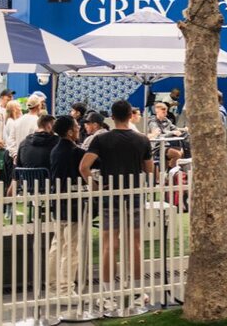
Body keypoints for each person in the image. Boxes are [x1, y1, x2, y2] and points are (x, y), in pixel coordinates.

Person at [80, 100, 154, 306]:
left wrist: (95, 186)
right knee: (135, 244)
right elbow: (150, 171)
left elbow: (83, 166)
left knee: (108, 245)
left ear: (112, 117)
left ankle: (108, 295)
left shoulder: (101, 140)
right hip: (134, 194)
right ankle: (138, 293)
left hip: (109, 194)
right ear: (131, 115)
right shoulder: (142, 140)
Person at [48, 115, 85, 298]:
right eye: (77, 126)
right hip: (72, 203)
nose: (79, 128)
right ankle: (65, 289)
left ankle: (53, 285)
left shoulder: (55, 150)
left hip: (58, 203)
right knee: (71, 247)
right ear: (70, 131)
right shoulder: (75, 152)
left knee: (57, 244)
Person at [10, 94, 44, 160]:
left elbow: (11, 140)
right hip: (32, 160)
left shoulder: (17, 121)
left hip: (18, 160)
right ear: (38, 106)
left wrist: (15, 155)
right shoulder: (38, 122)